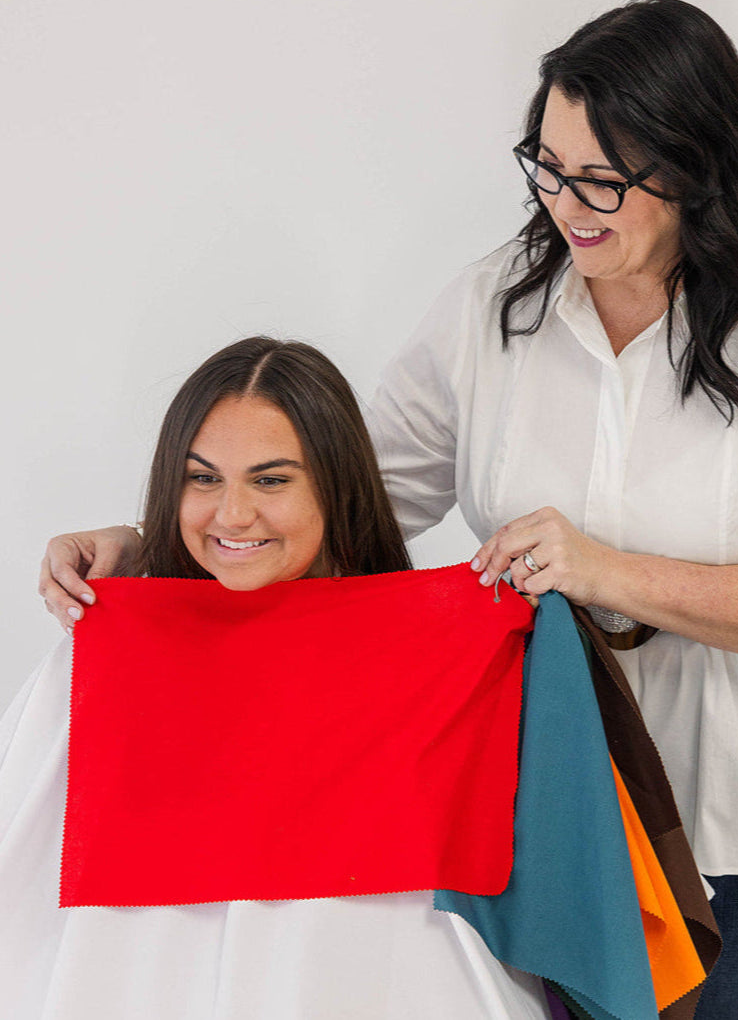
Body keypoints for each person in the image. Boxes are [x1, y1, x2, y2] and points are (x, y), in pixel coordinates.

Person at [37, 0, 738, 1018]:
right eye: (549, 165)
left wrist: (599, 566)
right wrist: (153, 542)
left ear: (695, 167)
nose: (570, 202)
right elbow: (345, 492)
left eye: (603, 178)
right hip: (548, 817)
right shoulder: (492, 311)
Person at [5, 336, 549, 1020]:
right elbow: (20, 895)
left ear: (335, 482)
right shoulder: (106, 649)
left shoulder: (450, 646)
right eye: (202, 478)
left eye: (270, 479)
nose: (231, 514)